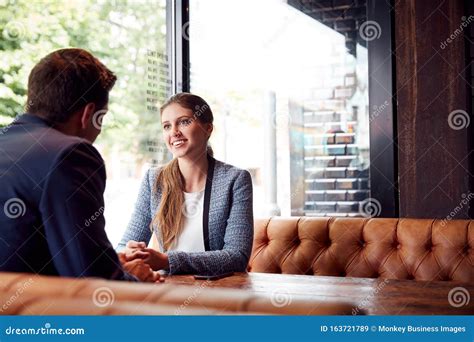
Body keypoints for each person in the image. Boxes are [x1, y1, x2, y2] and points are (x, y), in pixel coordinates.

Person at [0, 48, 159, 282]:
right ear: (88, 114)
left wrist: (109, 261)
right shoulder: (69, 155)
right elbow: (92, 280)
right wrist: (133, 279)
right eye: (101, 119)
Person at [118, 93, 254, 275]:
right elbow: (122, 246)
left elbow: (237, 257)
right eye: (167, 126)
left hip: (220, 292)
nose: (174, 132)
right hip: (167, 290)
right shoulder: (154, 180)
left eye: (184, 122)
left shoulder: (235, 180)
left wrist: (167, 261)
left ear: (208, 128)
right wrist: (130, 251)